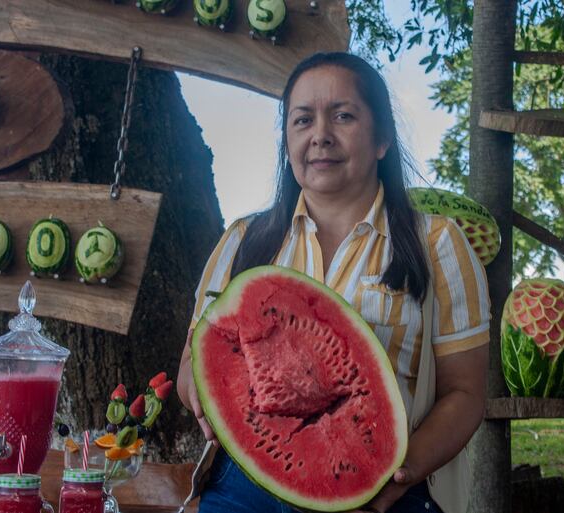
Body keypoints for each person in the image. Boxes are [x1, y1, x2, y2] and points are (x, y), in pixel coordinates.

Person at [177, 52, 490, 513]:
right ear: (287, 141)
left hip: (384, 488)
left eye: (343, 116)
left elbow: (465, 394)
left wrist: (398, 480)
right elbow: (193, 359)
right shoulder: (244, 241)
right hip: (243, 488)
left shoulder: (439, 243)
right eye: (302, 120)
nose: (320, 135)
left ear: (382, 138)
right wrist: (201, 393)